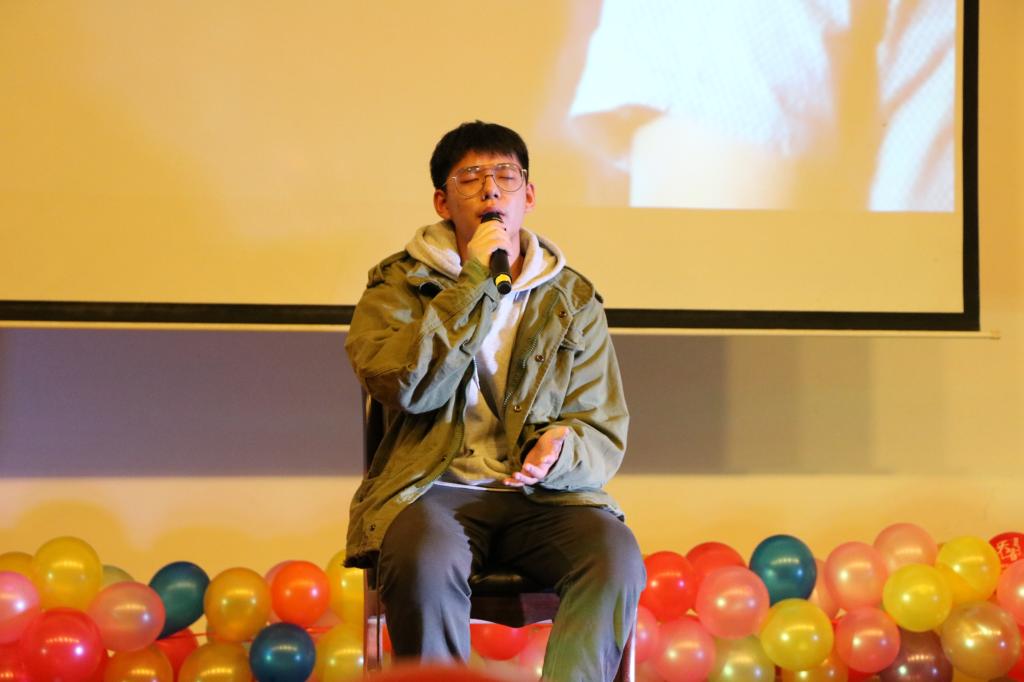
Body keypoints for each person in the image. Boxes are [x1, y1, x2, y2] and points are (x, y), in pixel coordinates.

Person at [343, 120, 645, 681]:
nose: (490, 190)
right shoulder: (396, 286)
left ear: (528, 196)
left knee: (614, 557)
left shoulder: (573, 298)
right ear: (442, 202)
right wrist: (473, 283)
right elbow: (403, 386)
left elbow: (601, 428)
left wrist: (562, 448)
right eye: (471, 178)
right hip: (433, 492)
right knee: (420, 560)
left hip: (545, 499)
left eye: (506, 176)